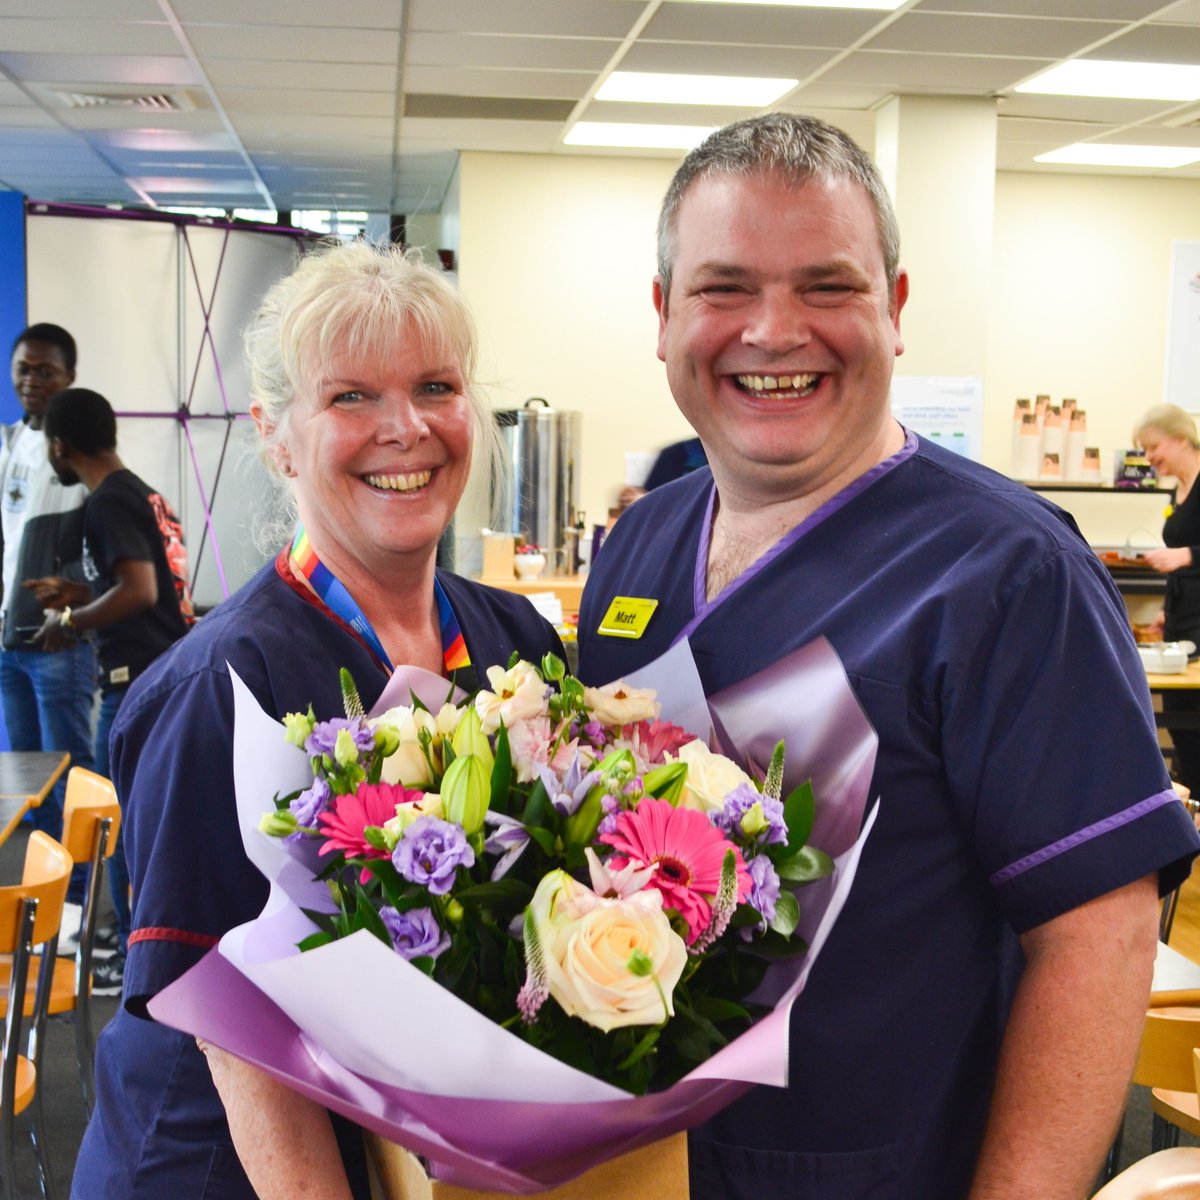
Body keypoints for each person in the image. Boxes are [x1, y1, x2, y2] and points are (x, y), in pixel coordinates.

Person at [577, 113, 1200, 1200]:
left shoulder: (1008, 575)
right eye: (725, 287)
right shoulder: (638, 546)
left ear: (895, 309)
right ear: (664, 314)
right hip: (641, 1170)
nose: (775, 331)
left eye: (827, 286)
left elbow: (1099, 943)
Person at [71, 241, 563, 1200]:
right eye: (351, 398)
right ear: (275, 435)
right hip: (225, 1165)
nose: (406, 427)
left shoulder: (511, 638)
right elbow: (223, 1026)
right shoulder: (222, 684)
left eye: (435, 385)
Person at [29, 385, 196, 995]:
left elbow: (140, 592)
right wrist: (75, 594)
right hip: (162, 677)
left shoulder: (107, 503)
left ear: (60, 444)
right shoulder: (141, 493)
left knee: (119, 826)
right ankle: (140, 949)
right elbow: (135, 585)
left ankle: (131, 960)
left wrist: (68, 622)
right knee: (139, 824)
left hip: (138, 687)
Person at [0, 324, 96, 841]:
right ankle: (45, 899)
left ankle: (85, 898)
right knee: (26, 784)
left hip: (60, 645)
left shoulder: (78, 453)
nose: (32, 380)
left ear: (69, 377)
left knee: (71, 779)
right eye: (23, 369)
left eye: (45, 371)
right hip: (11, 645)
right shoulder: (10, 442)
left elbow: (103, 556)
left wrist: (71, 613)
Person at [1135, 404, 1200, 793]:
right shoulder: (1178, 489)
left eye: (1153, 447)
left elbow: (1188, 553)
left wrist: (1188, 555)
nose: (1149, 458)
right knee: (1180, 723)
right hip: (1182, 615)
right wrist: (1164, 608)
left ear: (1179, 437)